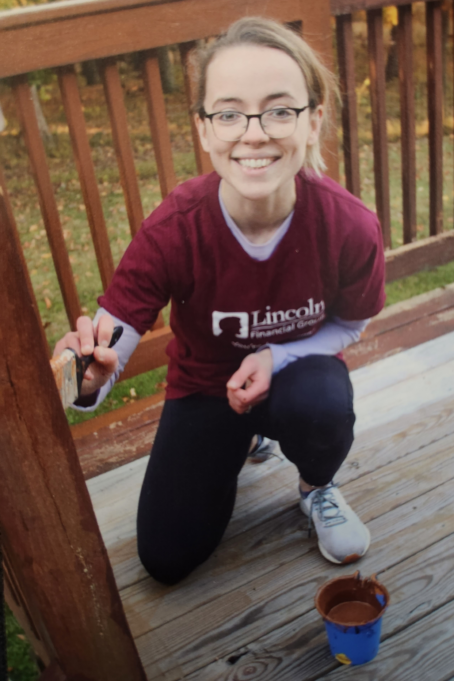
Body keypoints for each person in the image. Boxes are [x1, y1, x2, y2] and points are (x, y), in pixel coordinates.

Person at [54, 17, 385, 585]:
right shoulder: (173, 230)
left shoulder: (349, 225)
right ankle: (244, 439)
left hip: (297, 379)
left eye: (280, 109)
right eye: (229, 113)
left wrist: (275, 356)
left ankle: (315, 488)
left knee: (323, 403)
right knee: (166, 558)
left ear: (314, 122)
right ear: (206, 130)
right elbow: (107, 345)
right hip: (205, 389)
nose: (253, 133)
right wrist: (82, 381)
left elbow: (351, 324)